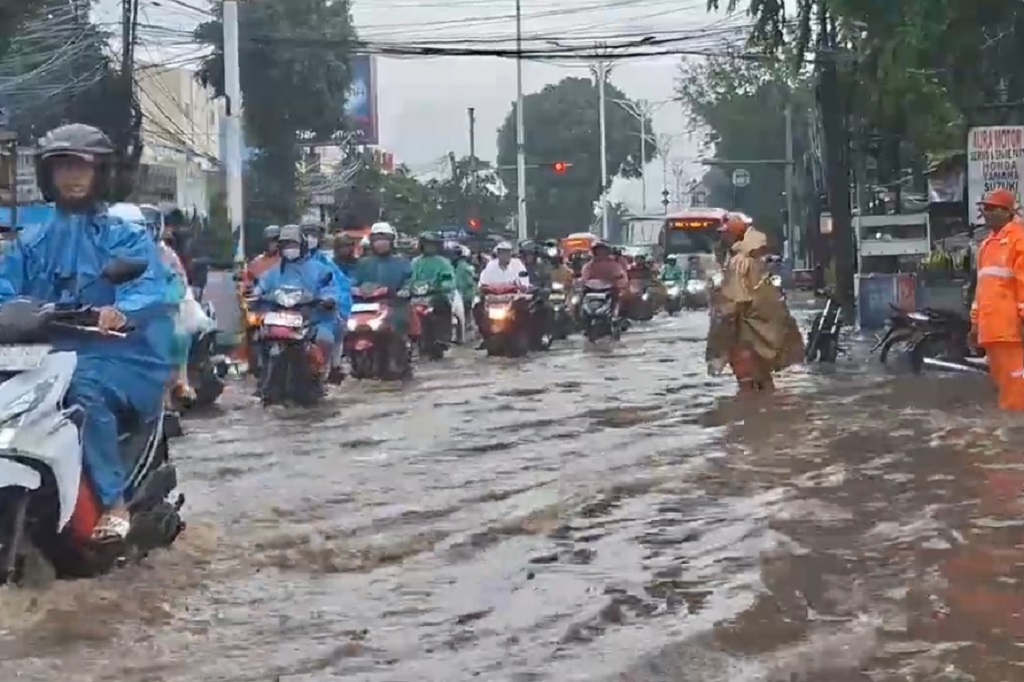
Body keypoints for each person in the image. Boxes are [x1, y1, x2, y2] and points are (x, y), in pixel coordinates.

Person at [0, 124, 175, 543]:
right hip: (44, 356)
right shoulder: (30, 241)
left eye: (82, 167)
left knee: (82, 391)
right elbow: (5, 288)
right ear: (47, 175)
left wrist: (121, 311)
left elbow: (150, 287)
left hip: (120, 355)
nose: (72, 177)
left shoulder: (125, 236)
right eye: (62, 167)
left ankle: (113, 502)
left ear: (101, 174)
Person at [705, 214, 802, 394]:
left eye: (725, 234)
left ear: (733, 235)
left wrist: (719, 338)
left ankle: (752, 418)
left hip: (746, 335)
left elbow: (733, 302)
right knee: (765, 382)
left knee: (747, 387)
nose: (722, 238)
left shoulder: (738, 263)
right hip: (766, 334)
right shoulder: (757, 259)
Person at [253, 224, 339, 368]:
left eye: (292, 244)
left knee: (325, 338)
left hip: (311, 316)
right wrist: (255, 295)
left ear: (302, 245)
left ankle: (319, 372)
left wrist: (327, 298)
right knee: (259, 337)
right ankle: (263, 376)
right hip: (279, 316)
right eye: (285, 245)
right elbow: (261, 286)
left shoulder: (319, 269)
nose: (289, 248)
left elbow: (329, 286)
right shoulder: (273, 271)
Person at [970, 188, 1024, 411]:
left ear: (1007, 212)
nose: (987, 212)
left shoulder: (1018, 240)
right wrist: (974, 324)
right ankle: (1006, 434)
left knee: (1016, 385)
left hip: (1011, 330)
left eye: (993, 208)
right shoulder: (986, 245)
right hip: (991, 330)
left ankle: (1013, 436)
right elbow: (980, 290)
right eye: (985, 208)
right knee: (1004, 384)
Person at [301, 223, 351, 382]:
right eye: (306, 235)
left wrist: (331, 299)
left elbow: (339, 286)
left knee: (326, 338)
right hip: (290, 315)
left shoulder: (326, 264)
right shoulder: (284, 263)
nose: (310, 239)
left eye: (313, 235)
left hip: (320, 316)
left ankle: (324, 371)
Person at [350, 222, 414, 336]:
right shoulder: (364, 263)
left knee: (397, 329)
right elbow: (355, 280)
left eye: (385, 238)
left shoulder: (401, 262)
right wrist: (353, 289)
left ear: (391, 241)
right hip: (367, 305)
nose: (380, 242)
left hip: (394, 303)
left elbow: (409, 280)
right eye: (377, 239)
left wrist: (404, 290)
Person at [410, 231, 456, 341]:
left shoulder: (443, 262)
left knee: (442, 306)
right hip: (417, 296)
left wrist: (442, 286)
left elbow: (449, 278)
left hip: (436, 294)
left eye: (432, 244)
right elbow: (409, 277)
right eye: (427, 244)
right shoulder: (415, 262)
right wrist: (406, 287)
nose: (429, 247)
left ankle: (442, 337)